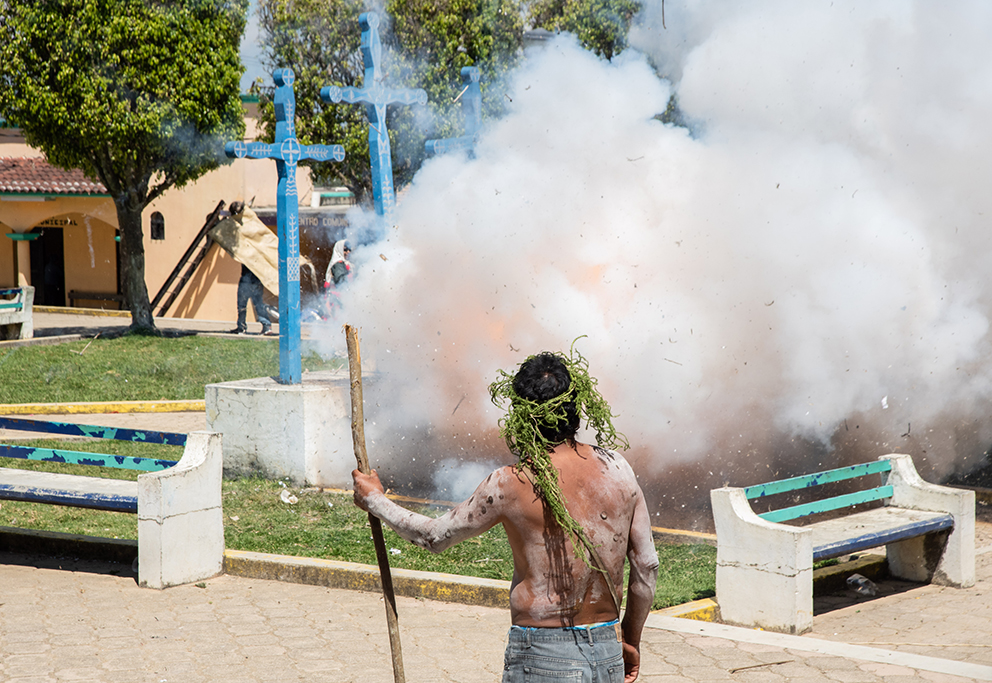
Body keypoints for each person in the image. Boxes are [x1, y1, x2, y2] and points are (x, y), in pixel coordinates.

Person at [353, 347, 659, 683]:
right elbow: (646, 566)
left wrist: (374, 500)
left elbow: (434, 536)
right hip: (607, 652)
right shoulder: (618, 469)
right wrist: (630, 639)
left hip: (543, 655)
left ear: (522, 416)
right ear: (576, 407)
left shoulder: (511, 483)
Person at [229, 201, 272, 335]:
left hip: (250, 276)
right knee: (256, 302)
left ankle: (243, 327)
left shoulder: (248, 231)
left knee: (244, 303)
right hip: (255, 275)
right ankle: (265, 326)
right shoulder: (254, 230)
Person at [320, 239, 352, 318]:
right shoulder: (338, 264)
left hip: (338, 299)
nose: (348, 252)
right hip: (336, 301)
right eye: (345, 249)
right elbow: (341, 282)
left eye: (349, 249)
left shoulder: (343, 263)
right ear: (339, 249)